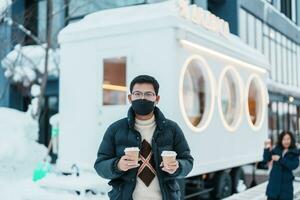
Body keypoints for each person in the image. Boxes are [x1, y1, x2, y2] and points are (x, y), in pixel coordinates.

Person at [94, 75, 194, 200]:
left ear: (157, 99)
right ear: (130, 98)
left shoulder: (171, 129)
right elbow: (100, 165)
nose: (142, 98)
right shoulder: (115, 129)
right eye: (137, 94)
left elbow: (188, 161)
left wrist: (178, 166)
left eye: (148, 94)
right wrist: (117, 165)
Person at [263, 131, 299, 200]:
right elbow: (266, 159)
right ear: (281, 140)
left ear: (291, 140)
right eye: (284, 139)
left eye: (288, 139)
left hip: (286, 188)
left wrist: (280, 159)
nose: (286, 141)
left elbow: (293, 165)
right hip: (273, 185)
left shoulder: (294, 152)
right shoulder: (276, 149)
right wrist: (266, 148)